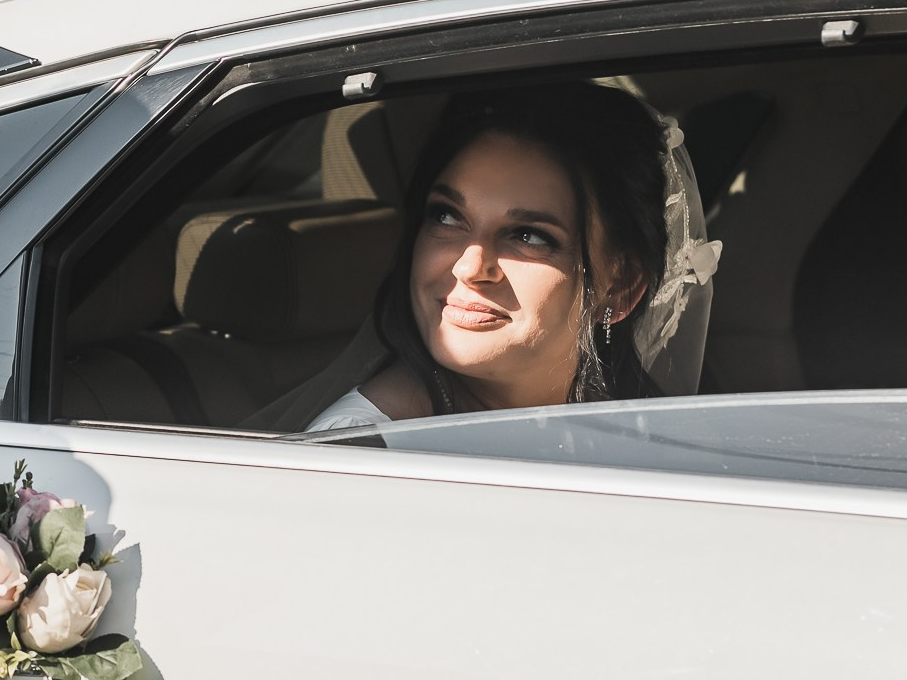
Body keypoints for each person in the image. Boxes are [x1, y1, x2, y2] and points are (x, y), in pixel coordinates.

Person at [307, 81, 718, 434]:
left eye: (528, 236)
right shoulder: (360, 455)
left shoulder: (635, 427)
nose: (469, 267)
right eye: (447, 216)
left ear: (621, 286)